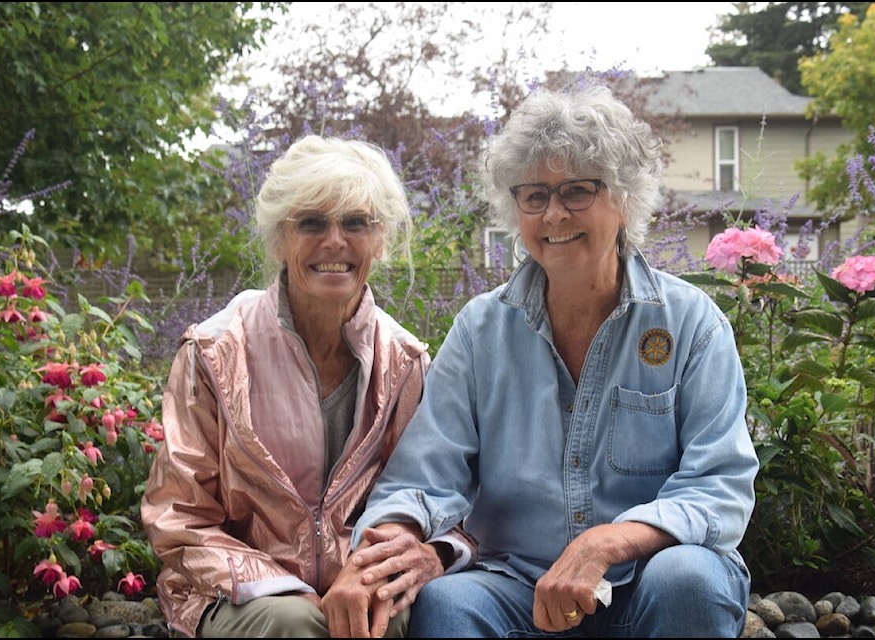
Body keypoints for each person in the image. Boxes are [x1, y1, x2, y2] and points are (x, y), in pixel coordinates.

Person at [331, 83, 760, 637]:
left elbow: (719, 484)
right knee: (448, 605)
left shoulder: (692, 324)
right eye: (534, 195)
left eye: (577, 190)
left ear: (625, 199)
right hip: (517, 586)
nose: (554, 213)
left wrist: (610, 540)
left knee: (690, 577)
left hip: (645, 581)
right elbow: (424, 475)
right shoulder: (480, 331)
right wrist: (381, 552)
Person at [140, 135, 476, 638]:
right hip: (232, 594)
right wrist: (284, 587)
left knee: (390, 611)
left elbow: (436, 497)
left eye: (355, 223)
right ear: (280, 238)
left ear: (379, 240)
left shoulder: (405, 362)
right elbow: (178, 514)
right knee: (297, 624)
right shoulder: (214, 353)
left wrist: (370, 576)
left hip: (356, 586)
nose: (335, 241)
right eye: (312, 223)